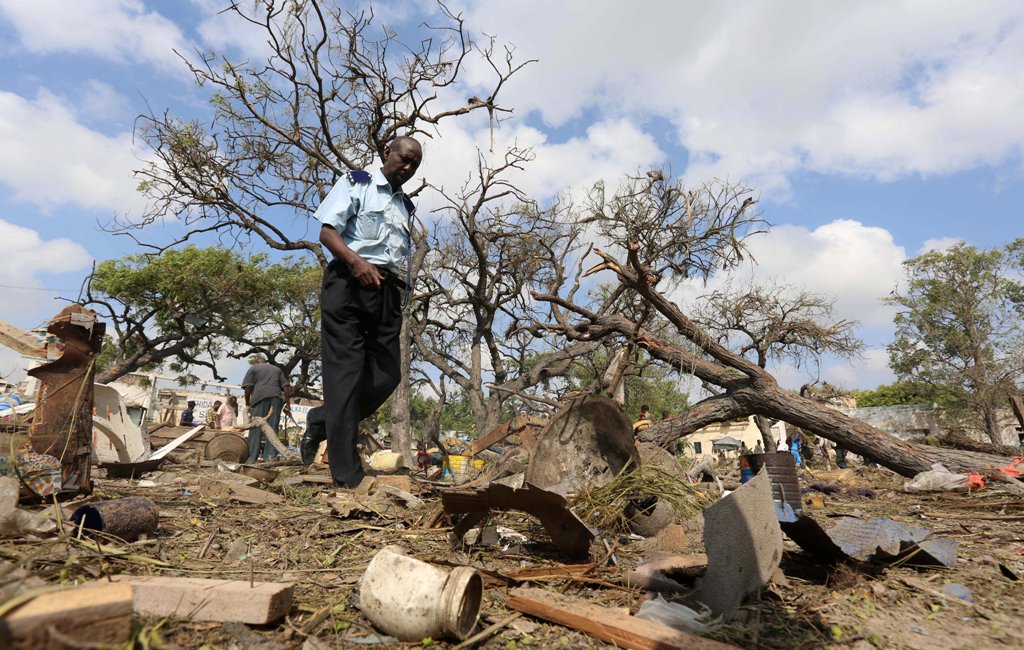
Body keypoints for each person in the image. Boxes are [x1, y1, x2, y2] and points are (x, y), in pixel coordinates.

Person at [303, 136, 423, 489]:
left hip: (386, 290)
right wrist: (356, 263)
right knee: (346, 376)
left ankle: (323, 419)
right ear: (387, 153)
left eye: (415, 164)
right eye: (404, 159)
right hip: (349, 283)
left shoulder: (406, 204)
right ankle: (347, 475)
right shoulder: (358, 182)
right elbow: (327, 232)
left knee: (389, 374)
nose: (409, 168)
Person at [242, 357, 291, 463]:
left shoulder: (253, 368)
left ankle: (251, 458)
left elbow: (248, 388)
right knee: (272, 428)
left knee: (256, 427)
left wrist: (247, 404)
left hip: (259, 399)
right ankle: (270, 457)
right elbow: (286, 387)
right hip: (276, 399)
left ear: (256, 362)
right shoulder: (277, 370)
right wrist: (288, 404)